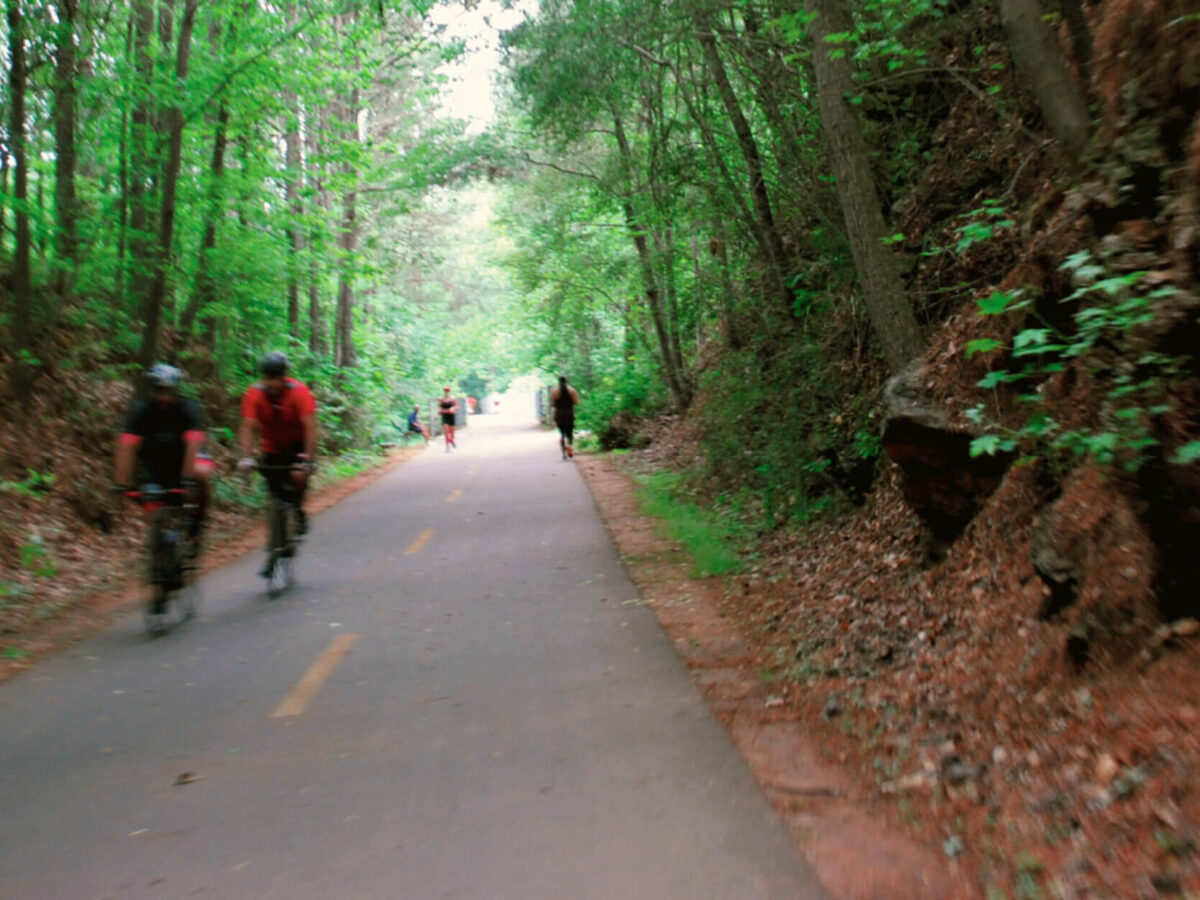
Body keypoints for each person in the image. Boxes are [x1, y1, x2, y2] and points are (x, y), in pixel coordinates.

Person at [114, 364, 213, 550]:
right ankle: (159, 549)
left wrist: (188, 480)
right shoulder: (140, 411)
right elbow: (126, 446)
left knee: (202, 473)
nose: (164, 397)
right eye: (160, 391)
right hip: (155, 464)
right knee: (152, 507)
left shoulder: (188, 408)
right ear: (152, 390)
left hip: (187, 461)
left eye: (169, 391)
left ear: (177, 390)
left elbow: (193, 444)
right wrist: (122, 484)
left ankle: (196, 527)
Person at [237, 352, 317, 573]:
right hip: (271, 447)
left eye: (276, 377)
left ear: (284, 376)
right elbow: (248, 426)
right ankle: (274, 547)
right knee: (273, 495)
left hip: (297, 444)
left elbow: (310, 426)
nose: (272, 382)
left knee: (298, 475)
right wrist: (247, 456)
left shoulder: (298, 392)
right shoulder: (254, 394)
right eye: (268, 377)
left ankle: (298, 510)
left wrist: (308, 459)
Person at [550, 375, 579, 460]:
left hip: (559, 414)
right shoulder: (572, 390)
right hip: (569, 413)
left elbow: (552, 404)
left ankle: (563, 453)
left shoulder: (555, 391)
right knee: (570, 432)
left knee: (562, 434)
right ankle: (569, 446)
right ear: (567, 381)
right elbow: (576, 402)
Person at [439, 387, 459, 452]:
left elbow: (457, 407)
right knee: (446, 431)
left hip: (451, 416)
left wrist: (453, 408)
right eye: (445, 391)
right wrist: (441, 411)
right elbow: (440, 408)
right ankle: (447, 447)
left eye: (447, 391)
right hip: (445, 416)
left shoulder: (453, 398)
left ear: (449, 392)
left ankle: (452, 441)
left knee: (451, 431)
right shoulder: (442, 399)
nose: (446, 392)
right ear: (444, 391)